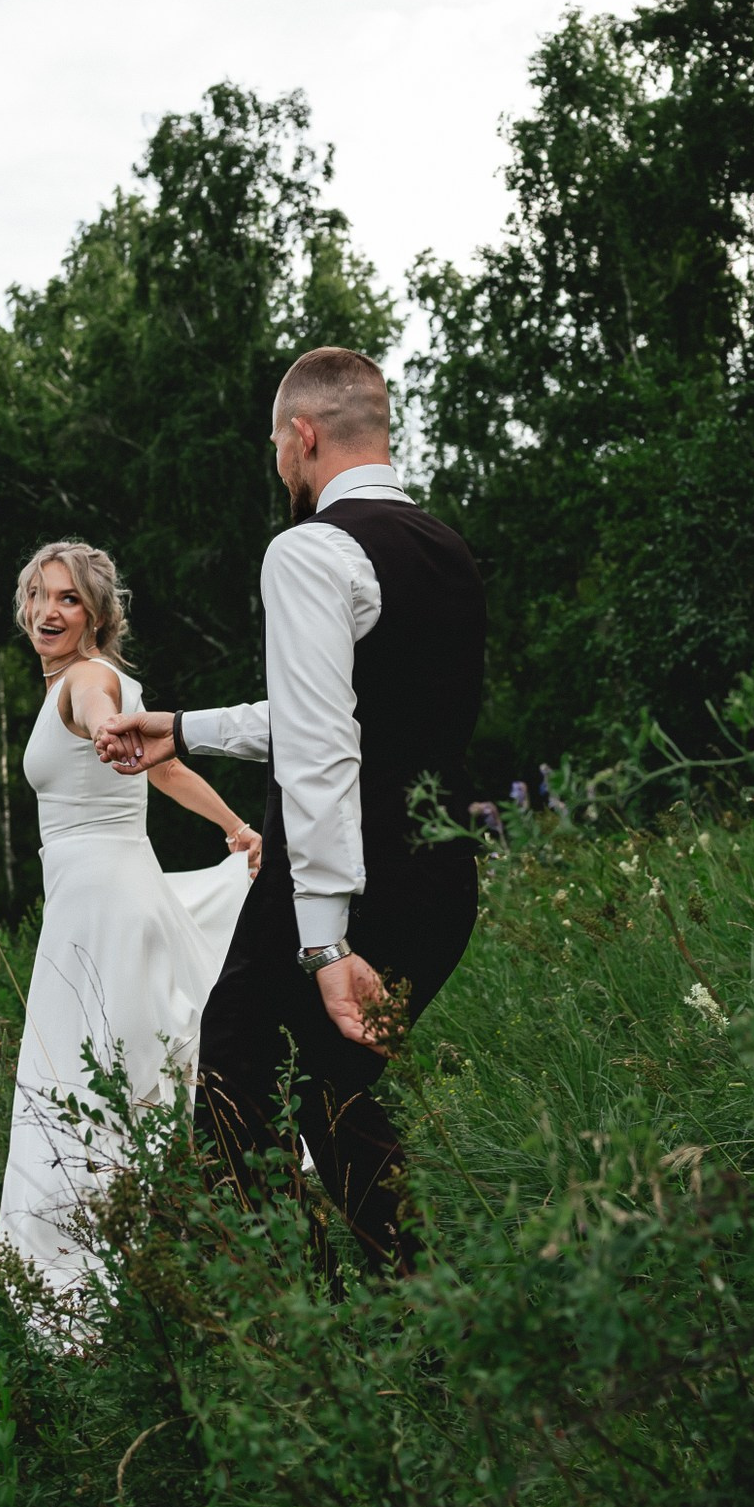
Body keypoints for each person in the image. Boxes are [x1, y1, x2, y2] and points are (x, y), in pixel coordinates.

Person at [96, 348, 486, 1273]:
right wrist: (181, 729)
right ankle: (421, 1309)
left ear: (303, 435)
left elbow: (320, 753)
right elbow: (343, 714)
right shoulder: (447, 552)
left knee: (239, 1087)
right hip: (441, 882)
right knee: (327, 1090)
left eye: (276, 444)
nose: (279, 463)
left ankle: (269, 1322)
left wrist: (321, 943)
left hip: (347, 890)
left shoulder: (309, 548)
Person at [0, 540, 259, 1308]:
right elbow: (166, 766)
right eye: (39, 594)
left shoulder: (88, 679)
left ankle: (91, 1283)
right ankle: (173, 1254)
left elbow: (99, 711)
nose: (49, 611)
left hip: (103, 906)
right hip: (103, 897)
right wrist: (236, 827)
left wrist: (106, 725)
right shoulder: (80, 682)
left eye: (69, 599)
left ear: (96, 614)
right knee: (127, 1077)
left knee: (88, 1082)